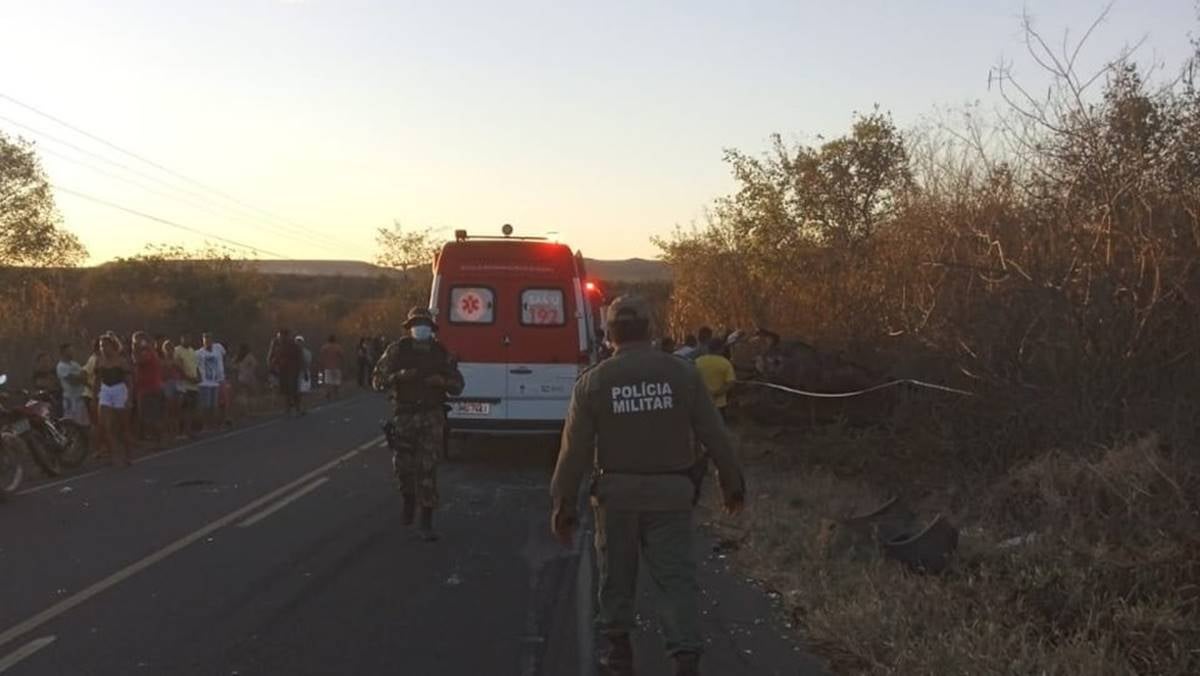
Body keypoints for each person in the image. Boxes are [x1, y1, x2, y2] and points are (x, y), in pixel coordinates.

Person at [549, 296, 746, 676]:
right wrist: (732, 484)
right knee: (675, 579)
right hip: (671, 497)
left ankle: (618, 652)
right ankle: (685, 657)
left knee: (616, 576)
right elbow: (715, 435)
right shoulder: (683, 375)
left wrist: (563, 505)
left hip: (615, 499)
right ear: (651, 330)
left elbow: (573, 451)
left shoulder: (594, 382)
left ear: (608, 333)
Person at [373, 307, 464, 542]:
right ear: (409, 327)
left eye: (424, 324)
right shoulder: (397, 350)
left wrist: (441, 381)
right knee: (403, 466)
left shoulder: (440, 353)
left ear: (431, 328)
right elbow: (377, 380)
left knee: (427, 468)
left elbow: (458, 384)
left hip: (431, 417)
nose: (420, 328)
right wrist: (399, 376)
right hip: (404, 416)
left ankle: (426, 520)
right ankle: (408, 499)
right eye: (416, 324)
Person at [96, 334, 135, 466]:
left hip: (120, 389)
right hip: (106, 390)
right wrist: (96, 395)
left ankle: (128, 454)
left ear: (113, 346)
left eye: (106, 345)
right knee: (107, 426)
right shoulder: (100, 360)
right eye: (101, 346)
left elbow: (129, 381)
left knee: (123, 426)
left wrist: (129, 398)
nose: (103, 348)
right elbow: (98, 379)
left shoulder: (121, 361)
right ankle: (114, 456)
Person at [132, 332, 166, 448]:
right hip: (144, 388)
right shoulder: (148, 351)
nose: (135, 343)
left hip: (150, 388)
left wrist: (135, 350)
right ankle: (157, 440)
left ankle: (160, 441)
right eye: (134, 341)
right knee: (147, 417)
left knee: (152, 417)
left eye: (137, 340)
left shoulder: (147, 352)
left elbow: (139, 361)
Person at [694, 338, 737, 422]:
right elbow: (731, 383)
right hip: (719, 404)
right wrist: (716, 393)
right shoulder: (725, 363)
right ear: (721, 349)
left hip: (701, 403)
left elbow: (692, 381)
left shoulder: (697, 362)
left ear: (708, 348)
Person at [56, 343, 90, 430]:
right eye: (70, 351)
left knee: (84, 425)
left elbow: (85, 376)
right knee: (73, 425)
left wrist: (81, 377)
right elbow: (72, 381)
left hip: (80, 398)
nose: (72, 353)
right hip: (71, 401)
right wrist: (80, 377)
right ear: (64, 352)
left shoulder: (74, 364)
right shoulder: (61, 366)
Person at [196, 333, 226, 430]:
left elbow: (224, 356)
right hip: (205, 383)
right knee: (206, 405)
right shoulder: (199, 353)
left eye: (209, 339)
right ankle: (205, 425)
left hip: (216, 381)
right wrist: (198, 376)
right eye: (205, 340)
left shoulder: (218, 348)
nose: (207, 342)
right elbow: (195, 366)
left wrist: (221, 372)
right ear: (203, 341)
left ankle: (214, 424)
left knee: (214, 405)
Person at [272, 329, 304, 416]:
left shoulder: (293, 345)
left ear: (286, 335)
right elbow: (276, 358)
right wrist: (274, 366)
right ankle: (288, 409)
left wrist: (301, 369)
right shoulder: (279, 346)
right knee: (285, 391)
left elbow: (300, 358)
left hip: (292, 371)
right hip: (283, 371)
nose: (281, 337)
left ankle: (297, 409)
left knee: (293, 390)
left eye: (282, 336)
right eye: (280, 336)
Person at [174, 335, 201, 438]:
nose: (187, 340)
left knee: (192, 409)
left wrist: (199, 377)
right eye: (185, 338)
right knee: (184, 409)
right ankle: (182, 432)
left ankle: (189, 431)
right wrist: (188, 378)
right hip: (184, 385)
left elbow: (196, 366)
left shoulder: (192, 351)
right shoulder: (177, 350)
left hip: (194, 385)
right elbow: (177, 367)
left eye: (189, 338)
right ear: (181, 339)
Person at [160, 339, 182, 440]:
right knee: (167, 409)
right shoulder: (162, 361)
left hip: (177, 384)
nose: (169, 350)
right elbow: (162, 375)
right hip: (167, 384)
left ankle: (176, 432)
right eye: (167, 348)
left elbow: (181, 372)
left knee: (176, 409)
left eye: (171, 348)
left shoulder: (177, 360)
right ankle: (167, 432)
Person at [234, 343, 258, 418]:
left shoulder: (238, 357)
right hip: (249, 377)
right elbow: (255, 365)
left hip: (241, 378)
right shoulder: (249, 356)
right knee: (250, 395)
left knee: (244, 395)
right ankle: (250, 412)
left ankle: (245, 411)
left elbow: (234, 366)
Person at [320, 334, 344, 400]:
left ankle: (328, 392)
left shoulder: (324, 347)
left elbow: (321, 357)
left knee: (328, 381)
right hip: (336, 366)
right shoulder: (338, 347)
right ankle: (336, 394)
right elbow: (342, 356)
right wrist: (342, 363)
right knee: (336, 381)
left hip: (327, 367)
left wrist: (322, 365)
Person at [296, 335, 313, 411]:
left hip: (304, 373)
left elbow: (308, 363)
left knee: (304, 392)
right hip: (295, 374)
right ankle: (299, 407)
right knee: (298, 392)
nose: (298, 343)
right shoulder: (293, 352)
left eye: (300, 341)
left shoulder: (307, 352)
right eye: (297, 341)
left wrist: (305, 371)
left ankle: (304, 408)